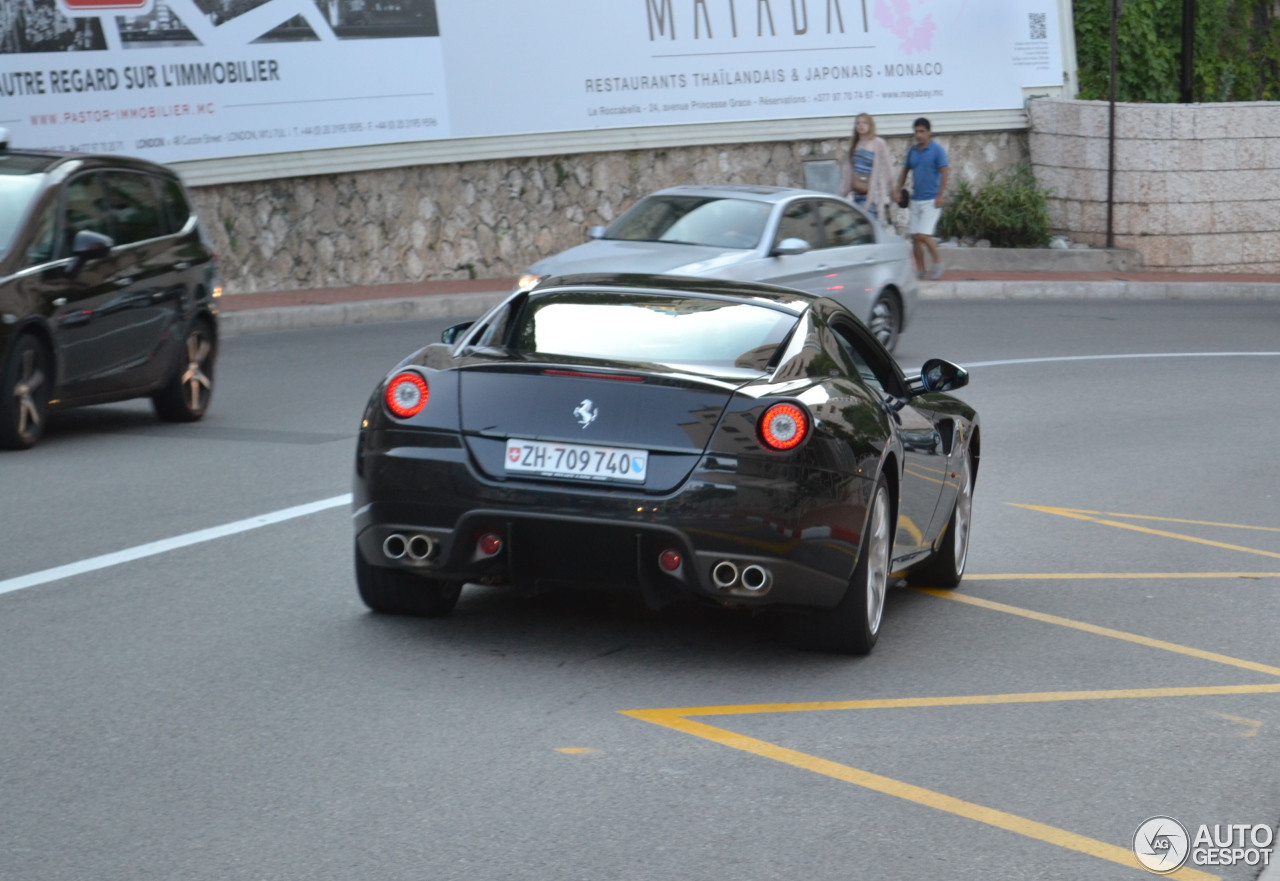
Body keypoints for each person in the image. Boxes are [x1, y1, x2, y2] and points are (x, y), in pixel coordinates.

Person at [895, 117, 950, 279]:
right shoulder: (912, 151)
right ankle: (920, 270)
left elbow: (945, 172)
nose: (918, 135)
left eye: (922, 131)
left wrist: (940, 195)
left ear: (929, 132)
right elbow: (904, 172)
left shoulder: (937, 150)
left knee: (924, 235)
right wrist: (897, 190)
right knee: (914, 238)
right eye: (916, 131)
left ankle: (938, 262)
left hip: (931, 200)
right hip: (915, 199)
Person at [839, 113, 894, 222]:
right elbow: (849, 172)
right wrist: (841, 195)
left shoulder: (878, 143)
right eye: (858, 123)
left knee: (871, 223)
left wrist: (893, 190)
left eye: (864, 122)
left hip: (873, 194)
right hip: (857, 193)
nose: (861, 125)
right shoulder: (855, 144)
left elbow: (887, 168)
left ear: (870, 125)